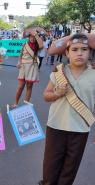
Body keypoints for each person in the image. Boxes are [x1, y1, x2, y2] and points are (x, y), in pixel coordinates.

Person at [39, 33, 95, 185]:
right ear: (67, 52)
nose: (79, 53)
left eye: (84, 49)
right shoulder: (59, 72)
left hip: (81, 129)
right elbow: (46, 95)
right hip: (56, 125)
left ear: (90, 52)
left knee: (70, 168)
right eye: (74, 49)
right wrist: (57, 93)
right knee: (51, 165)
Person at [12, 27, 43, 109]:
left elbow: (41, 45)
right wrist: (19, 62)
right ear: (29, 37)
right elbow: (20, 56)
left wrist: (35, 34)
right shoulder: (24, 45)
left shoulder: (38, 46)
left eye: (34, 37)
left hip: (32, 67)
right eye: (31, 36)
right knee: (20, 87)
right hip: (24, 67)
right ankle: (15, 103)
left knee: (29, 87)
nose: (32, 38)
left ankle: (26, 104)